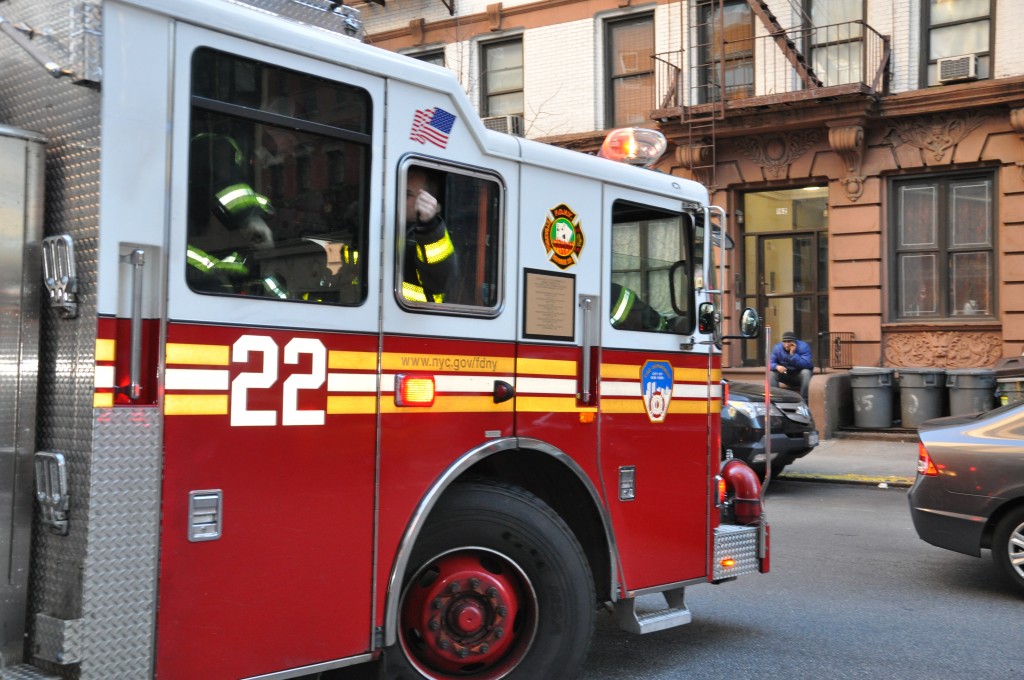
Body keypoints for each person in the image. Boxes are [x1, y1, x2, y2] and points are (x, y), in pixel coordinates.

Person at [402, 167, 457, 303]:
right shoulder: (392, 228)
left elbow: (441, 281)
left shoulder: (432, 235)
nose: (398, 197)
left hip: (412, 321)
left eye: (407, 194)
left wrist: (429, 228)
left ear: (426, 202)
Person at [769, 331, 813, 400]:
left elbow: (808, 365)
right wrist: (777, 367)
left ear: (794, 342)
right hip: (785, 375)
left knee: (806, 372)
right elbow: (769, 364)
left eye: (789, 342)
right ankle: (775, 399)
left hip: (799, 376)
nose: (786, 344)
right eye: (785, 342)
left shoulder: (804, 347)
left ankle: (804, 400)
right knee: (771, 374)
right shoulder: (777, 348)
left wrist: (793, 355)